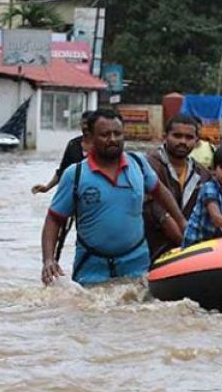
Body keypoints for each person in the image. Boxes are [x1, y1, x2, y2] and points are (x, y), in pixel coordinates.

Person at [40, 109, 187, 286]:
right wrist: (48, 259)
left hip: (136, 264)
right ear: (90, 137)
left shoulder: (139, 164)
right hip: (91, 267)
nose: (113, 139)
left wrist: (182, 222)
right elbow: (54, 220)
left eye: (117, 133)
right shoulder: (75, 174)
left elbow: (161, 192)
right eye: (105, 134)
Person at [143, 114, 212, 260]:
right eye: (177, 136)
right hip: (153, 249)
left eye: (189, 137)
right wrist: (186, 247)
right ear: (165, 136)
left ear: (196, 140)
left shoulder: (202, 173)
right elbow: (156, 210)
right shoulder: (148, 165)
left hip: (191, 251)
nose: (183, 141)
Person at [32, 110, 94, 194]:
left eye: (89, 124)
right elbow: (63, 171)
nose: (86, 126)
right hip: (74, 192)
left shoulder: (102, 145)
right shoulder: (73, 145)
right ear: (80, 124)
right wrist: (47, 187)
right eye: (84, 123)